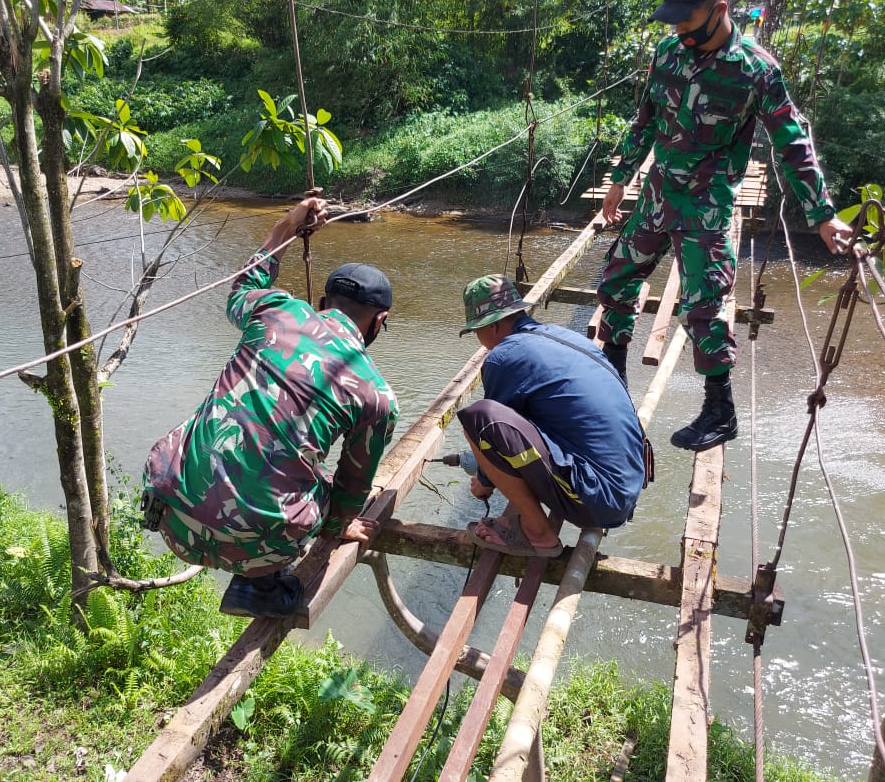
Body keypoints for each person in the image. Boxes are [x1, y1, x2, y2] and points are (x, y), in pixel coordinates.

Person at [596, 0, 852, 452]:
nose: (678, 27)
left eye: (686, 17)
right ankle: (612, 380)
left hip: (706, 204)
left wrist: (820, 213)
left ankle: (720, 410)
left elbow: (792, 142)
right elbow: (644, 120)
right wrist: (619, 179)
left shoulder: (756, 71)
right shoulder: (667, 54)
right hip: (657, 193)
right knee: (617, 279)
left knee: (703, 305)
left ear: (720, 8)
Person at [139, 198, 398, 617]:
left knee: (220, 425)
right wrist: (340, 522)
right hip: (257, 549)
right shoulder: (376, 395)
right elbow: (352, 492)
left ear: (321, 302)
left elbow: (244, 284)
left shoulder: (276, 310)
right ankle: (259, 588)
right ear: (379, 321)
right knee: (325, 483)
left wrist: (287, 226)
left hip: (172, 519)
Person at [456, 275, 647, 557]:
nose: (480, 339)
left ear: (493, 325)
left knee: (477, 418)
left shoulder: (503, 357)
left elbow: (493, 431)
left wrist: (484, 481)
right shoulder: (565, 337)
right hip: (628, 484)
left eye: (477, 331)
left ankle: (537, 533)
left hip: (600, 500)